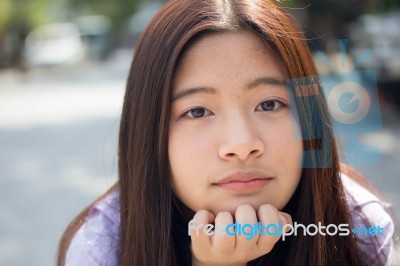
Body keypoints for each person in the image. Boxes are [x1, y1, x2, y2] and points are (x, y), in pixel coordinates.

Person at [57, 0, 396, 265]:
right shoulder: (100, 249)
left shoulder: (358, 226)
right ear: (149, 135)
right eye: (197, 111)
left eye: (269, 104)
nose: (242, 145)